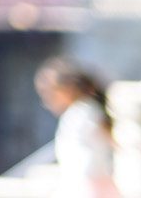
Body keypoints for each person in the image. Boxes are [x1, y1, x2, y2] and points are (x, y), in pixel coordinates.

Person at [35, 57, 118, 198]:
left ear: (68, 88)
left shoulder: (85, 112)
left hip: (92, 188)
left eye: (50, 92)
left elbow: (112, 138)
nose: (47, 100)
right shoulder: (76, 114)